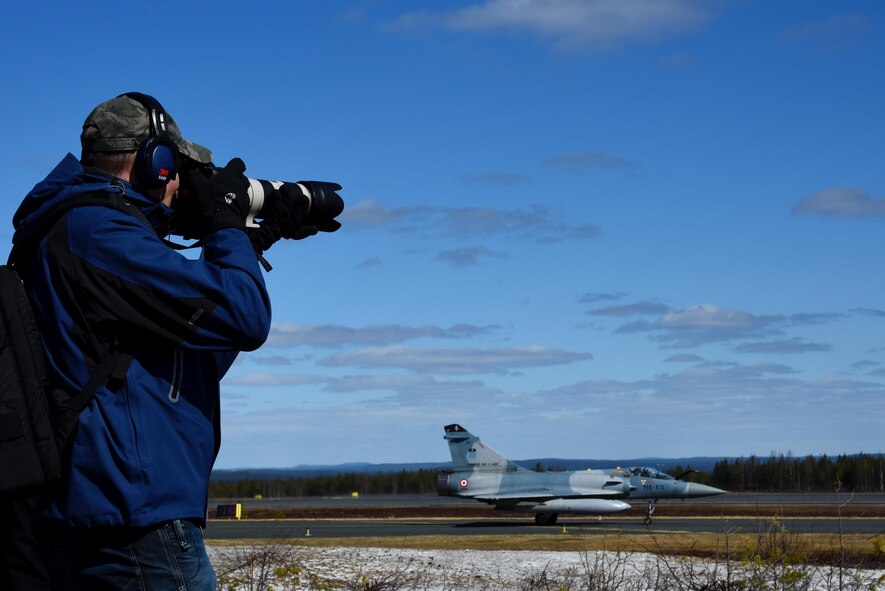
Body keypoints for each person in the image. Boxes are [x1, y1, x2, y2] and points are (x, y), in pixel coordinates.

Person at [3, 93, 288, 590]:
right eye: (177, 169)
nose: (180, 186)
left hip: (106, 511)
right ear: (154, 163)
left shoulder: (76, 230)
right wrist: (224, 228)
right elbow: (246, 317)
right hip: (133, 522)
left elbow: (186, 361)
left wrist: (247, 245)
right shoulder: (100, 231)